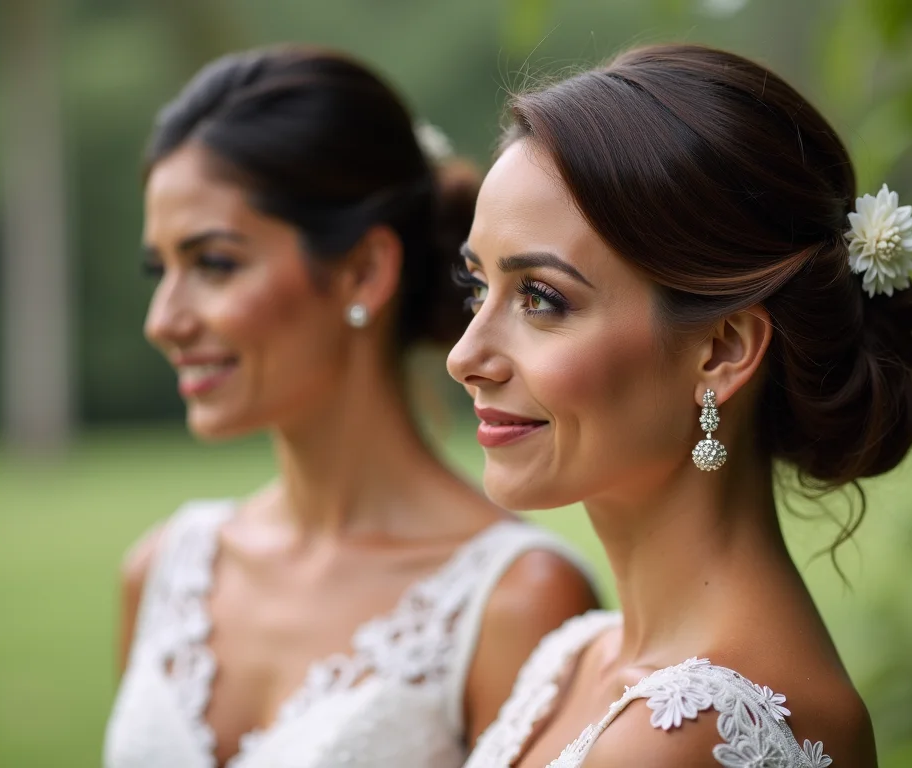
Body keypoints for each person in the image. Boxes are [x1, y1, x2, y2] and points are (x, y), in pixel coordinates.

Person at [104, 46, 598, 768]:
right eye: (161, 269)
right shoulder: (163, 572)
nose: (163, 319)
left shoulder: (517, 602)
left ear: (364, 271)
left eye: (213, 264)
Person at [451, 44, 912, 768]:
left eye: (541, 299)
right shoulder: (575, 659)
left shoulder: (689, 735)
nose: (465, 357)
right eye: (477, 288)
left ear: (722, 351)